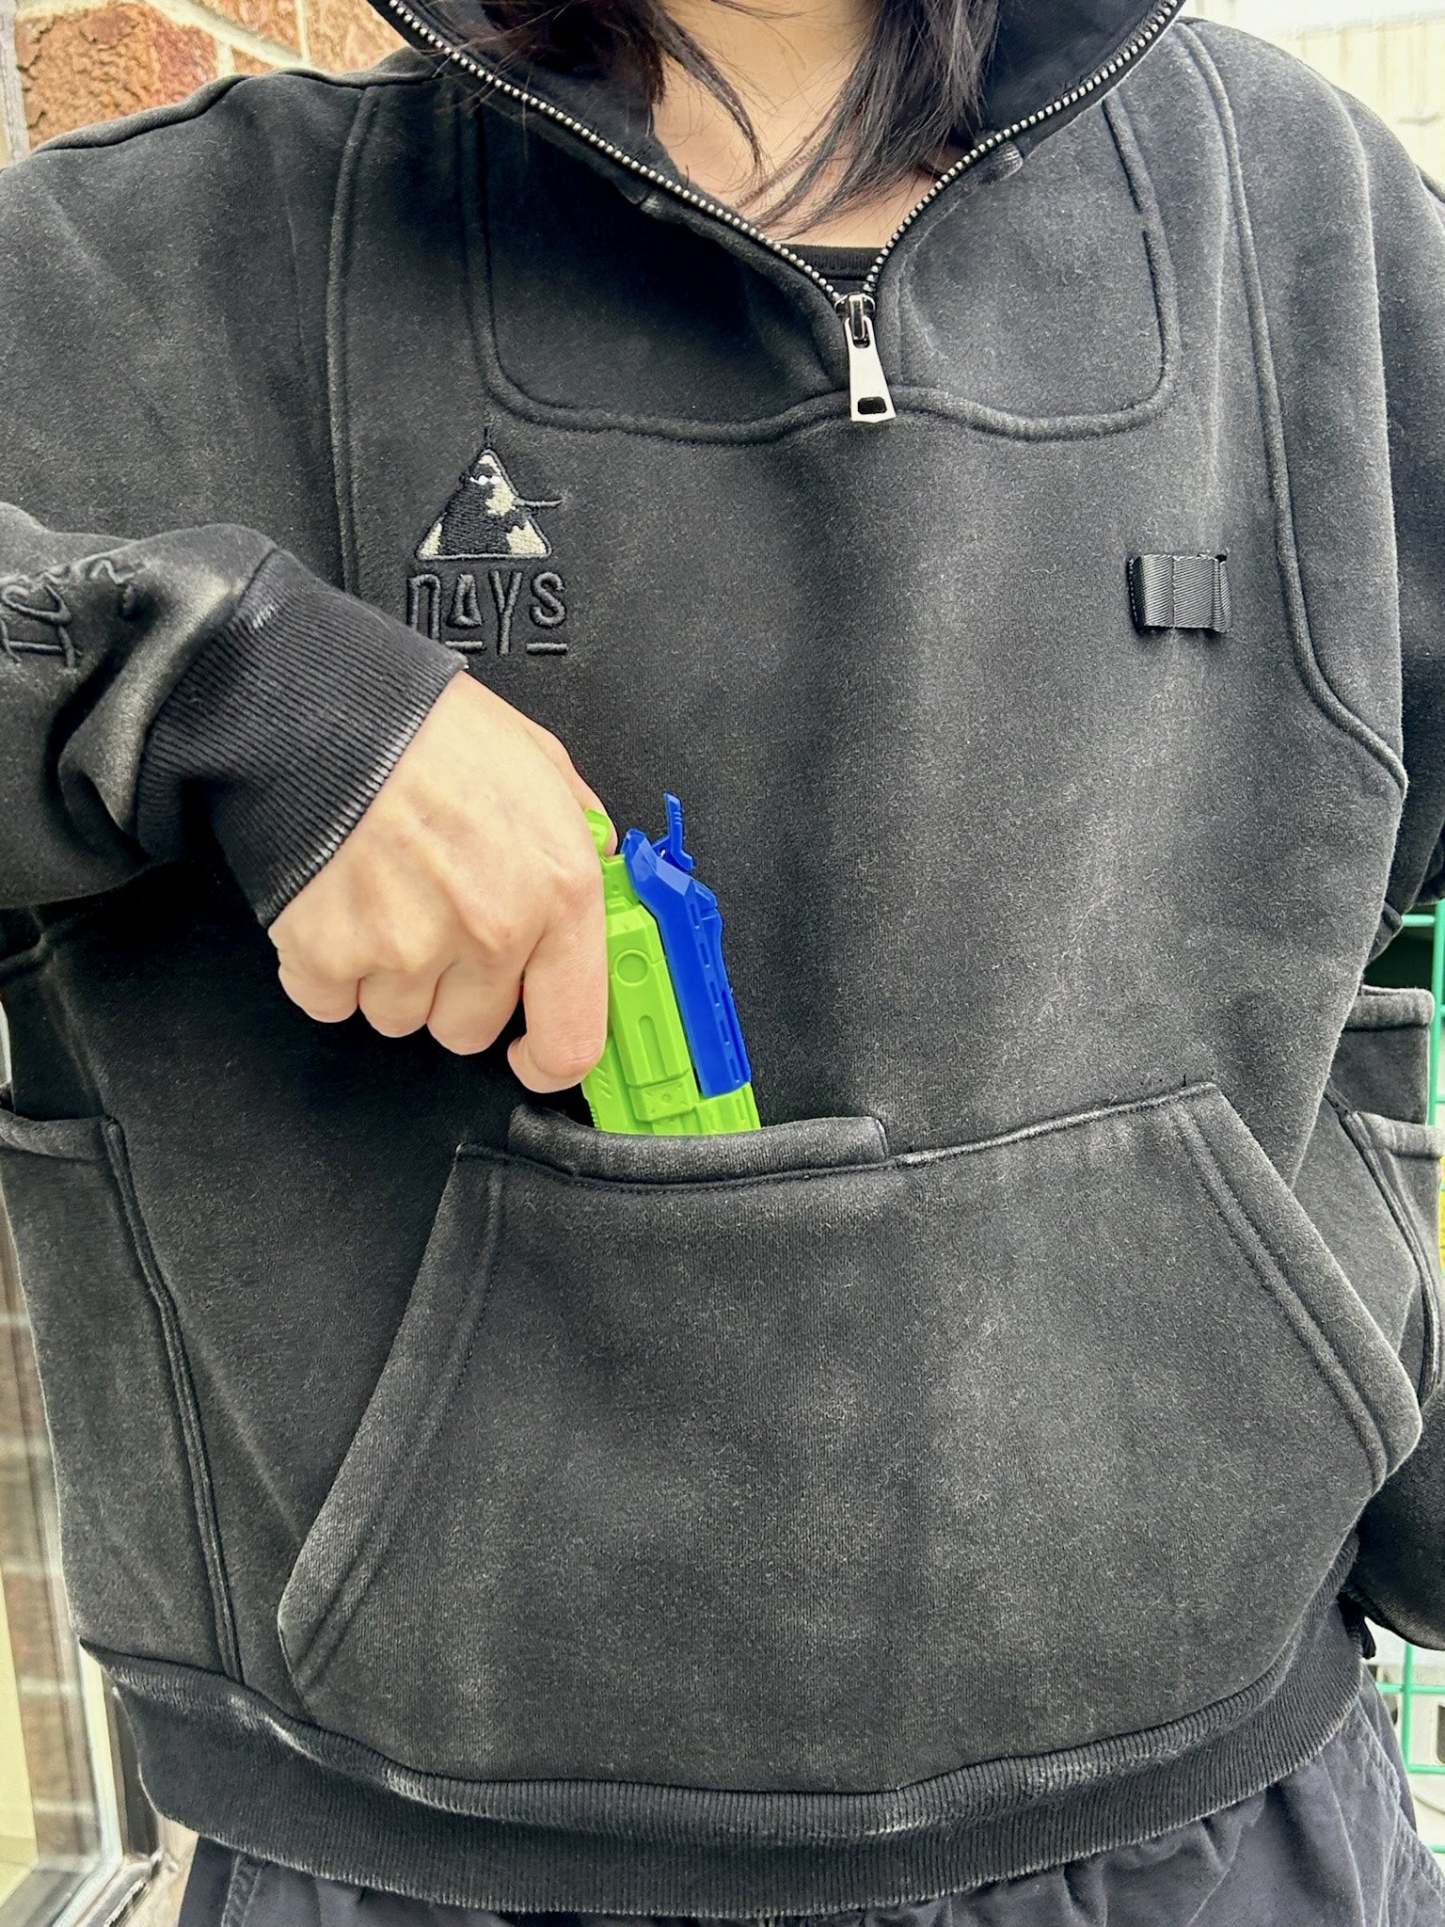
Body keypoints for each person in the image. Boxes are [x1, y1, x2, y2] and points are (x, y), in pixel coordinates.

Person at [2, 0, 1445, 1920]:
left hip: (1224, 1829)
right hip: (417, 1863)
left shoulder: (1308, 215)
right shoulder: (155, 261)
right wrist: (214, 689)